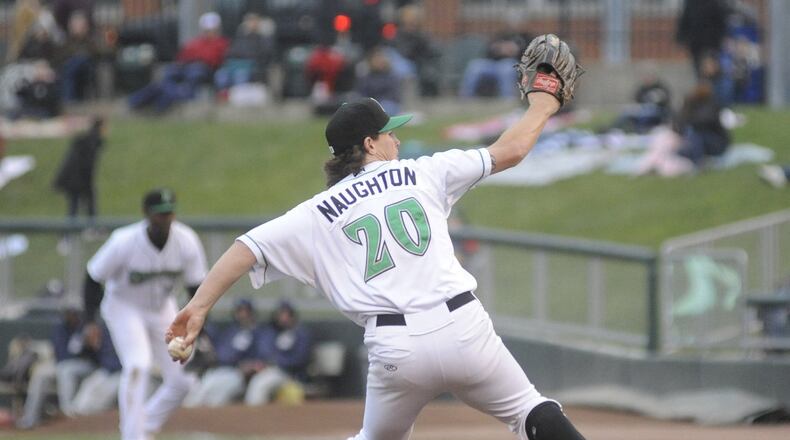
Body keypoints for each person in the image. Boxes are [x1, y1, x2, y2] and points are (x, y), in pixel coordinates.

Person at [167, 87, 587, 439]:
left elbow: (246, 248)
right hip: (464, 327)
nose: (397, 141)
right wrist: (545, 102)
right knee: (531, 410)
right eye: (388, 133)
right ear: (369, 144)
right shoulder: (424, 172)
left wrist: (198, 307)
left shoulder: (317, 213)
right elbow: (511, 150)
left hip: (396, 348)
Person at [83, 188, 208, 440]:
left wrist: (201, 333)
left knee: (183, 381)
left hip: (163, 308)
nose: (165, 219)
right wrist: (89, 322)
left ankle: (146, 426)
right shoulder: (124, 241)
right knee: (138, 365)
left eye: (169, 213)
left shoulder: (186, 240)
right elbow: (93, 278)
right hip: (124, 307)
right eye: (159, 213)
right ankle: (133, 436)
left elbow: (198, 288)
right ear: (146, 214)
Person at [127, 12, 229, 113]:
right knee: (170, 73)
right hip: (186, 68)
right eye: (207, 30)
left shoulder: (221, 43)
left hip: (202, 70)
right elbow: (182, 56)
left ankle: (159, 102)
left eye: (211, 30)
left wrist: (195, 60)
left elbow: (212, 60)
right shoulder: (195, 42)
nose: (209, 32)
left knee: (194, 72)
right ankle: (142, 101)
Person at [16, 307, 99, 429]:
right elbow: (60, 353)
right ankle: (30, 418)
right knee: (41, 374)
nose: (70, 316)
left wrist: (87, 344)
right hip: (64, 363)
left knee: (66, 370)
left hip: (87, 365)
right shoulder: (60, 328)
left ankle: (68, 413)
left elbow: (95, 353)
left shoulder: (86, 326)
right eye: (68, 313)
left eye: (73, 313)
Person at [183, 298, 260, 408]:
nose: (243, 314)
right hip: (217, 370)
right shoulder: (230, 330)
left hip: (236, 373)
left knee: (215, 402)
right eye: (240, 311)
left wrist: (250, 365)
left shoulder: (257, 333)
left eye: (246, 311)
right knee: (196, 396)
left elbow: (259, 358)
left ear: (251, 313)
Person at [245, 299, 312, 406]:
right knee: (257, 381)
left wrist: (275, 362)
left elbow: (300, 359)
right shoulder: (271, 333)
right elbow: (263, 353)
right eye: (281, 314)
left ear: (293, 316)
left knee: (260, 384)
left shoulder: (300, 334)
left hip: (289, 373)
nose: (284, 318)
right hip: (269, 370)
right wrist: (259, 364)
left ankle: (254, 415)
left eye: (287, 314)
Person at [52, 116, 105, 220]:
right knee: (77, 204)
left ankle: (70, 232)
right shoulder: (92, 141)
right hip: (76, 179)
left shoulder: (88, 139)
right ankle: (76, 231)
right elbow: (87, 163)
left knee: (76, 205)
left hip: (75, 178)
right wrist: (87, 183)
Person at [213, 12, 276, 96]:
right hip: (235, 65)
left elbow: (265, 55)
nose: (251, 24)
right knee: (221, 74)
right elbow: (230, 52)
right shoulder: (239, 38)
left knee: (240, 75)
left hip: (251, 66)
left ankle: (237, 99)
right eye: (249, 21)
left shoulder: (263, 39)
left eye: (254, 21)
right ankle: (222, 97)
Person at [460, 27, 531, 99]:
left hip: (511, 63)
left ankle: (507, 98)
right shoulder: (501, 35)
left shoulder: (525, 37)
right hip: (493, 64)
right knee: (475, 65)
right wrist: (498, 50)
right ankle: (466, 96)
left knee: (507, 67)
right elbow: (487, 52)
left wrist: (516, 51)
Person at [71, 323, 122, 416]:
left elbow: (116, 362)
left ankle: (91, 416)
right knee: (88, 384)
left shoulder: (111, 337)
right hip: (107, 371)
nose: (91, 337)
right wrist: (93, 345)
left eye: (92, 334)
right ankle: (76, 411)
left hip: (120, 372)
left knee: (104, 392)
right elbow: (78, 352)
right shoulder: (99, 342)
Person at [676, 0, 730, 79]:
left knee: (712, 69)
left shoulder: (716, 3)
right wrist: (681, 37)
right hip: (696, 44)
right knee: (699, 69)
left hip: (712, 44)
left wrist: (722, 38)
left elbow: (721, 22)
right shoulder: (691, 3)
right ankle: (703, 85)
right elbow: (685, 19)